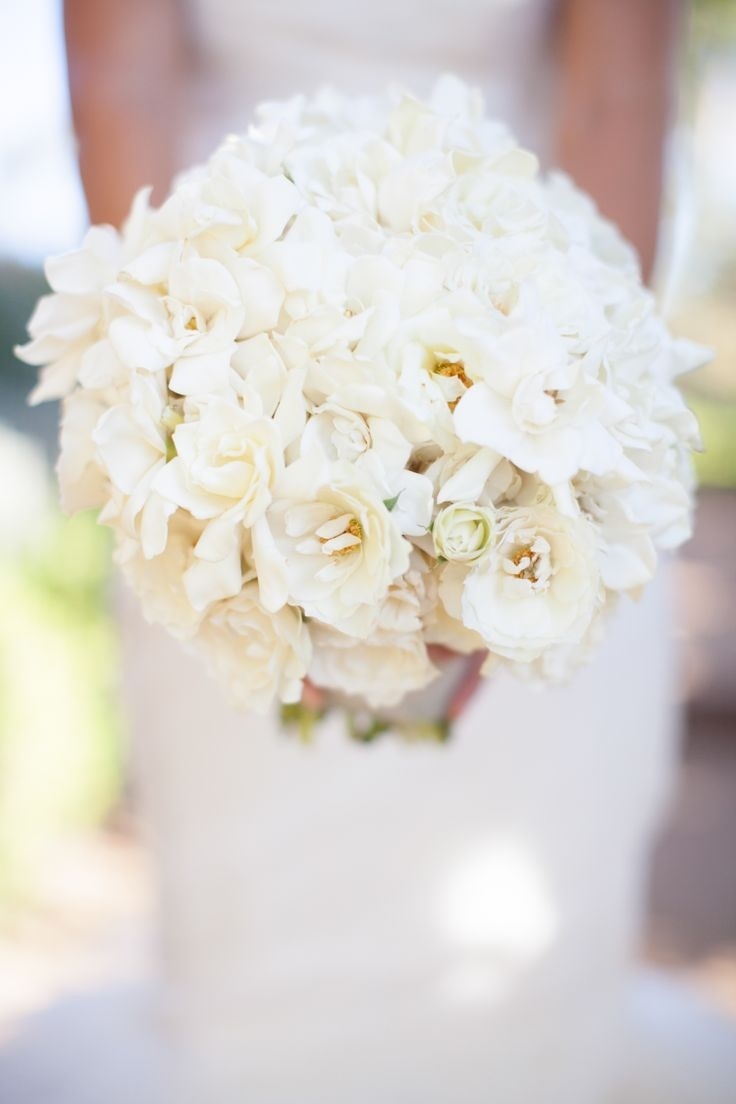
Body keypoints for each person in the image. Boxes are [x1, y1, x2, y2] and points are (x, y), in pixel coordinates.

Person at [24, 1, 732, 1102]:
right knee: (265, 967)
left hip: (525, 338)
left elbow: (616, 95)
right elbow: (123, 85)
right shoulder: (208, 413)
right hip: (225, 349)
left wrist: (556, 478)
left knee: (529, 984)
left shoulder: (546, 438)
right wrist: (191, 427)